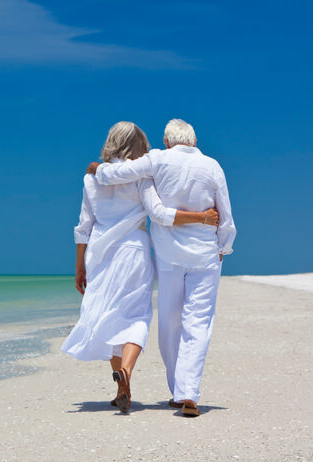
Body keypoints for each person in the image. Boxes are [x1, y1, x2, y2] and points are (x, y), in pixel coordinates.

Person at [61, 121, 219, 414]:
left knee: (108, 315)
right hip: (134, 251)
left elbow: (83, 227)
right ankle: (127, 373)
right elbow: (158, 213)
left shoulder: (91, 180)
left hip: (99, 254)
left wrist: (79, 267)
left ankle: (121, 381)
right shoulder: (144, 178)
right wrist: (201, 218)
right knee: (135, 315)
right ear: (140, 146)